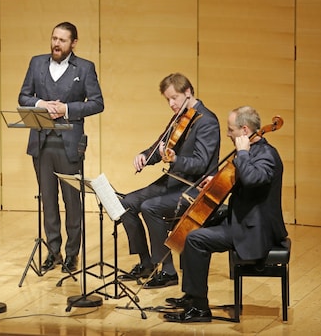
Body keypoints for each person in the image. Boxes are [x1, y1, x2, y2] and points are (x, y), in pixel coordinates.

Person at [164, 106, 289, 323]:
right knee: (194, 226)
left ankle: (200, 309)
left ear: (244, 129)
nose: (228, 134)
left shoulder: (267, 155)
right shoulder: (254, 151)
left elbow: (252, 179)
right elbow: (244, 180)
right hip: (241, 219)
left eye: (231, 130)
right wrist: (216, 181)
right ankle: (192, 296)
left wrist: (242, 153)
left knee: (194, 239)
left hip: (254, 230)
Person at [118, 73, 220, 288]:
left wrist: (175, 159)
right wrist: (145, 155)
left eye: (174, 98)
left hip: (194, 188)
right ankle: (146, 263)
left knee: (149, 207)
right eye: (167, 100)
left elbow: (201, 164)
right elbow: (161, 146)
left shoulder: (207, 122)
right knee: (125, 203)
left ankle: (168, 271)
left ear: (188, 92)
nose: (171, 104)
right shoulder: (181, 117)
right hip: (172, 182)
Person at [18, 21, 105, 273]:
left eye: (62, 40)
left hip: (69, 143)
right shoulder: (37, 63)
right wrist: (41, 103)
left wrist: (67, 109)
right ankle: (52, 251)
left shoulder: (85, 68)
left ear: (73, 43)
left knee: (72, 202)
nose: (56, 43)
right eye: (54, 38)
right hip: (41, 142)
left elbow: (97, 103)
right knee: (48, 200)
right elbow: (23, 96)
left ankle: (71, 254)